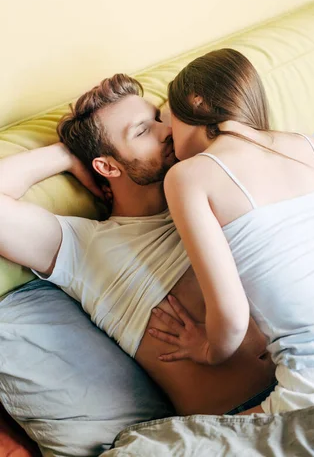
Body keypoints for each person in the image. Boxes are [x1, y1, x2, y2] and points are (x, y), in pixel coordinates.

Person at [0, 73, 275, 417]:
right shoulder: (85, 248)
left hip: (311, 380)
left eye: (160, 121)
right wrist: (67, 155)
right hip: (236, 419)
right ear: (106, 166)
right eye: (144, 131)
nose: (167, 132)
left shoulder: (206, 191)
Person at [148, 48, 314, 415]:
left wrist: (206, 349)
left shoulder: (188, 176)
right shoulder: (309, 146)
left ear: (195, 101)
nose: (168, 132)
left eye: (169, 118)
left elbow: (232, 319)